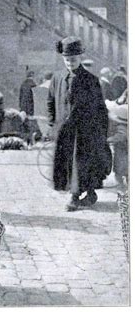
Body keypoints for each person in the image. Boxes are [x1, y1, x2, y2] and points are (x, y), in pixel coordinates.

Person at [48, 36, 112, 211]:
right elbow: (50, 101)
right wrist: (52, 122)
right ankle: (87, 193)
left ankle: (76, 196)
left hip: (85, 130)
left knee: (82, 162)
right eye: (67, 60)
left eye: (73, 60)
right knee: (68, 161)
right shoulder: (58, 77)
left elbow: (100, 107)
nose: (70, 63)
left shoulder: (90, 80)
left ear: (80, 58)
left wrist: (102, 131)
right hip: (64, 130)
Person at [106, 99, 128, 189]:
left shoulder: (122, 128)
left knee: (120, 170)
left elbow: (120, 137)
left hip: (122, 152)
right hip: (122, 151)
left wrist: (108, 140)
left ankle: (122, 186)